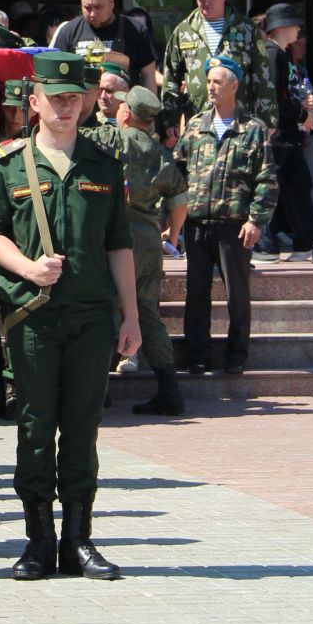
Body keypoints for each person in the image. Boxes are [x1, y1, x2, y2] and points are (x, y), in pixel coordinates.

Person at [0, 51, 139, 581]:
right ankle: (38, 541)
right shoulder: (5, 163)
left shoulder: (103, 164)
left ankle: (79, 539)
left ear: (89, 100)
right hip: (34, 316)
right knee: (34, 425)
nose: (66, 107)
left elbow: (119, 242)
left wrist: (131, 316)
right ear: (34, 101)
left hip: (93, 316)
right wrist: (29, 267)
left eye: (75, 97)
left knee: (82, 427)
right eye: (56, 98)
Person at [170, 58, 278, 375]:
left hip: (234, 225)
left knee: (237, 293)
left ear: (234, 85)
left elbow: (267, 180)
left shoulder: (253, 129)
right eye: (209, 81)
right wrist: (172, 221)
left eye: (218, 81)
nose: (211, 87)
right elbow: (177, 174)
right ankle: (199, 356)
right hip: (197, 223)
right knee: (197, 293)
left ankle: (236, 356)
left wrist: (256, 220)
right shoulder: (195, 126)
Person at [91, 85, 186, 415]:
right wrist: (172, 237)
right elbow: (179, 202)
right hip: (147, 237)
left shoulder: (113, 139)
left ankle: (98, 392)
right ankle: (169, 389)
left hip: (115, 235)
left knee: (104, 308)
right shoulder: (161, 153)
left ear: (126, 113)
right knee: (146, 312)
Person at [258, 3, 313, 261]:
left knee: (297, 186)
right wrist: (304, 115)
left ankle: (308, 242)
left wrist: (305, 109)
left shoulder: (281, 55)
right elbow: (273, 100)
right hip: (277, 136)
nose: (299, 30)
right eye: (295, 25)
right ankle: (271, 244)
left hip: (286, 135)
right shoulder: (273, 55)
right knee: (274, 189)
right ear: (281, 27)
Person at [159, 0, 273, 129]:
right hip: (198, 127)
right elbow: (170, 81)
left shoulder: (246, 29)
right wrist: (170, 123)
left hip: (240, 126)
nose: (205, 3)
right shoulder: (183, 31)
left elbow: (262, 75)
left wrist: (267, 120)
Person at [50, 0, 159, 88]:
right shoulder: (69, 31)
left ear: (111, 2)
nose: (93, 14)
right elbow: (55, 73)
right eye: (87, 8)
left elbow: (148, 74)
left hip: (123, 102)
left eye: (98, 7)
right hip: (81, 103)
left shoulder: (136, 29)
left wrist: (148, 104)